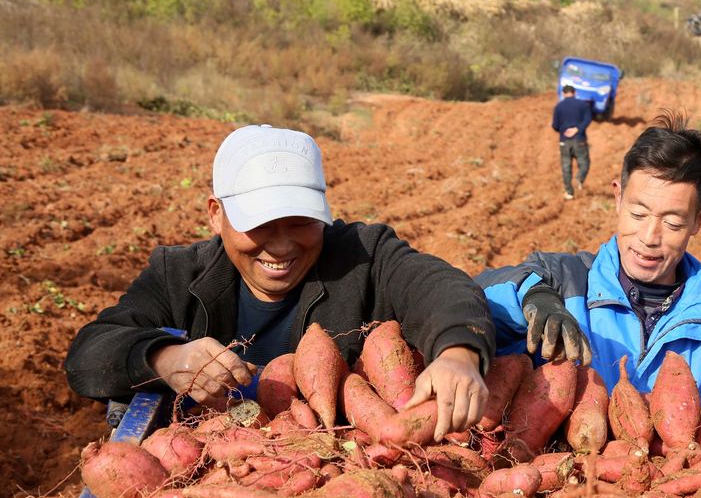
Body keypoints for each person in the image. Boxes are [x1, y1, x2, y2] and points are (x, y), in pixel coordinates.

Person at [65, 124, 494, 441]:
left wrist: (459, 353)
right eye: (261, 225)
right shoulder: (178, 274)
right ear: (216, 214)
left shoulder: (364, 255)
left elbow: (439, 286)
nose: (282, 246)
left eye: (301, 222)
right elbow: (90, 352)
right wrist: (164, 358)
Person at [477, 111, 701, 415]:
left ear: (699, 221)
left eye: (673, 223)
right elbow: (473, 296)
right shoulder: (561, 280)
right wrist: (535, 296)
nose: (650, 237)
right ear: (618, 198)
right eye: (638, 215)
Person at [551, 84, 592, 200]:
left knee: (566, 166)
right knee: (584, 162)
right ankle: (579, 178)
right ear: (574, 93)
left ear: (563, 93)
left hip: (564, 140)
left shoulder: (558, 107)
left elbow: (555, 125)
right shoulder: (583, 105)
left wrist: (564, 130)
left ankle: (569, 193)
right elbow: (588, 119)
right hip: (579, 139)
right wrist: (577, 129)